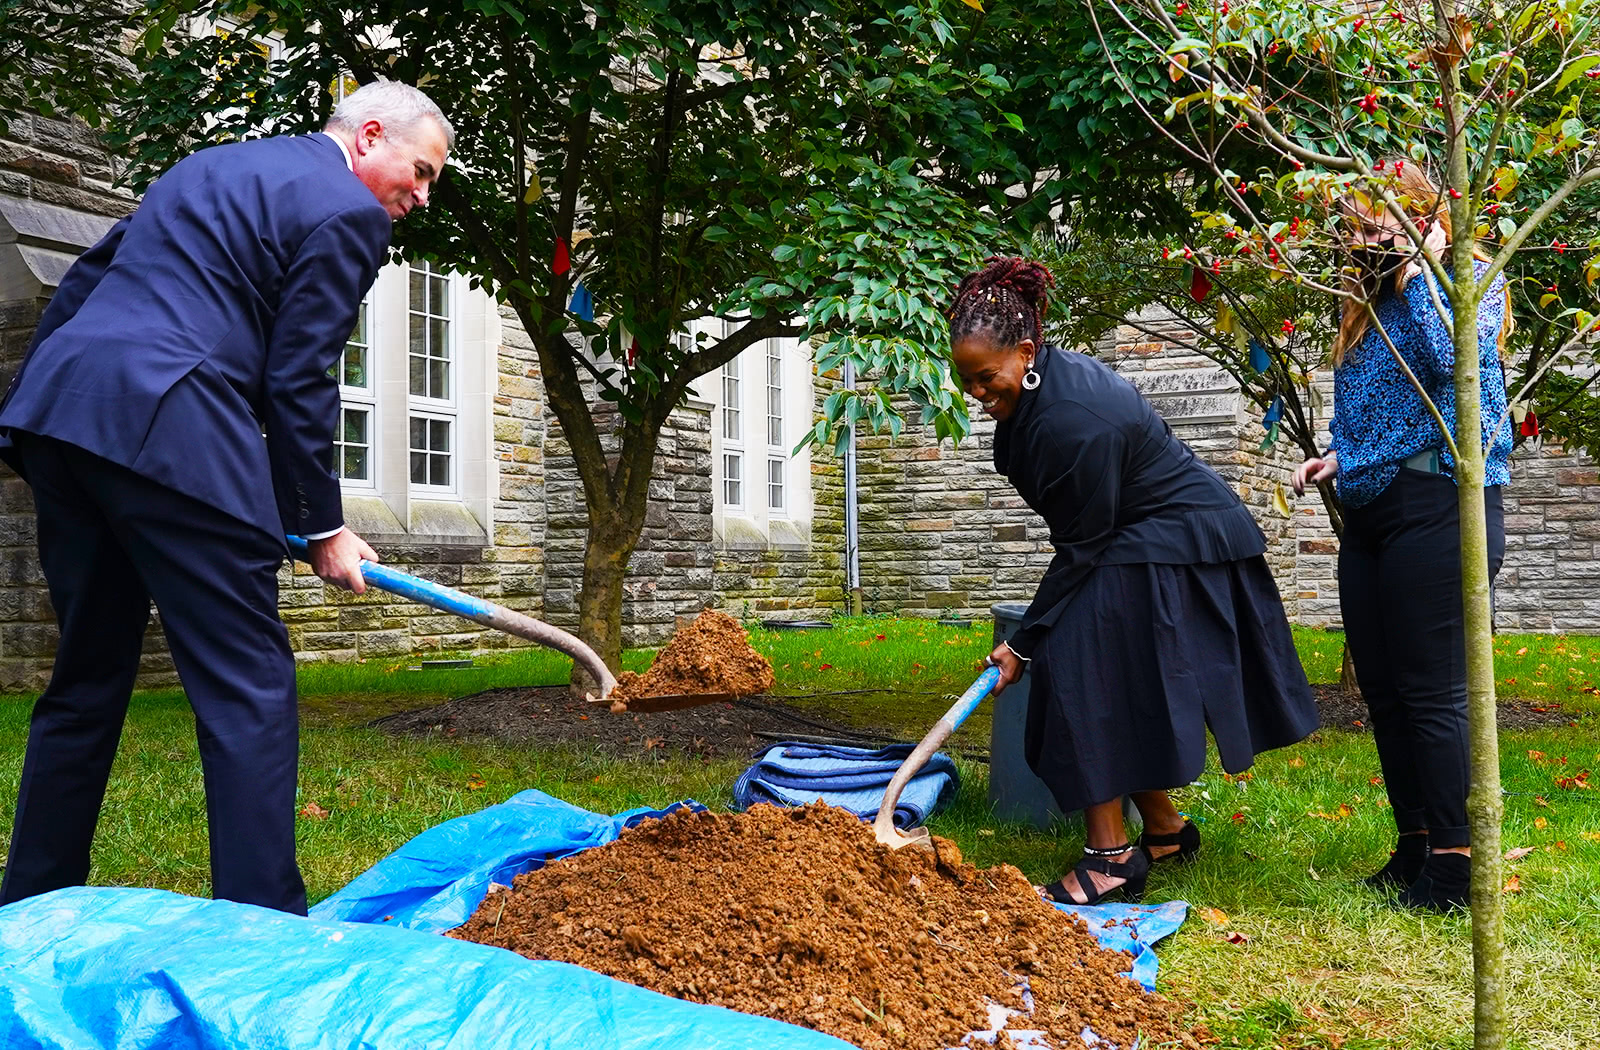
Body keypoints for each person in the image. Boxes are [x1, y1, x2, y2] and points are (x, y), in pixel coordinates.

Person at [0, 80, 453, 915]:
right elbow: (300, 375)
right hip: (177, 434)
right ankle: (265, 929)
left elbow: (86, 283)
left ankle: (29, 902)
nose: (420, 197)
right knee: (248, 685)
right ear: (368, 136)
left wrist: (28, 415)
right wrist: (322, 526)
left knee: (87, 675)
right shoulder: (346, 212)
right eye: (420, 172)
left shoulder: (207, 169)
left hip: (67, 424)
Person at [955, 257, 1319, 905]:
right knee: (1105, 673)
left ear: (1028, 351)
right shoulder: (1045, 389)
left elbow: (1082, 546)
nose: (980, 395)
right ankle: (1165, 828)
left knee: (1075, 665)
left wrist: (1026, 641)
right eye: (970, 383)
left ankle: (1111, 858)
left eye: (988, 378)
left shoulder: (1073, 419)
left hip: (1181, 543)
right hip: (1141, 538)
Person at [1293, 161, 1511, 911]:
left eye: (1371, 222)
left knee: (1432, 693)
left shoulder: (1470, 280)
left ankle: (1456, 867)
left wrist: (1422, 270)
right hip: (1373, 505)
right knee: (1385, 692)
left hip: (1441, 501)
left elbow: (1456, 364)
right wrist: (1338, 455)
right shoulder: (1366, 298)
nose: (1359, 239)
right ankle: (1416, 843)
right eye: (1350, 226)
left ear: (1420, 216)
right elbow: (1370, 407)